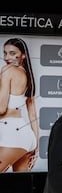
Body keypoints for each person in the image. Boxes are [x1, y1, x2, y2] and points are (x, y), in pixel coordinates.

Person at [0, 38, 39, 172]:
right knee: (19, 189)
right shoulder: (28, 76)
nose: (7, 57)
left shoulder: (7, 71)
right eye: (5, 53)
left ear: (23, 55)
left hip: (12, 135)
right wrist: (36, 145)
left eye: (12, 53)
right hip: (25, 137)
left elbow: (1, 108)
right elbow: (32, 113)